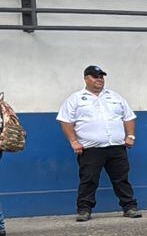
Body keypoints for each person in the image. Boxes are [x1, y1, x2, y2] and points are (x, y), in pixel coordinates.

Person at [57, 65, 140, 221]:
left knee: (121, 179)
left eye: (102, 76)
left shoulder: (115, 97)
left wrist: (130, 136)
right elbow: (65, 120)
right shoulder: (75, 99)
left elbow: (128, 117)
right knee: (88, 180)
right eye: (96, 77)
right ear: (86, 79)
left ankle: (129, 207)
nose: (100, 80)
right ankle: (84, 210)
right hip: (90, 149)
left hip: (116, 147)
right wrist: (73, 141)